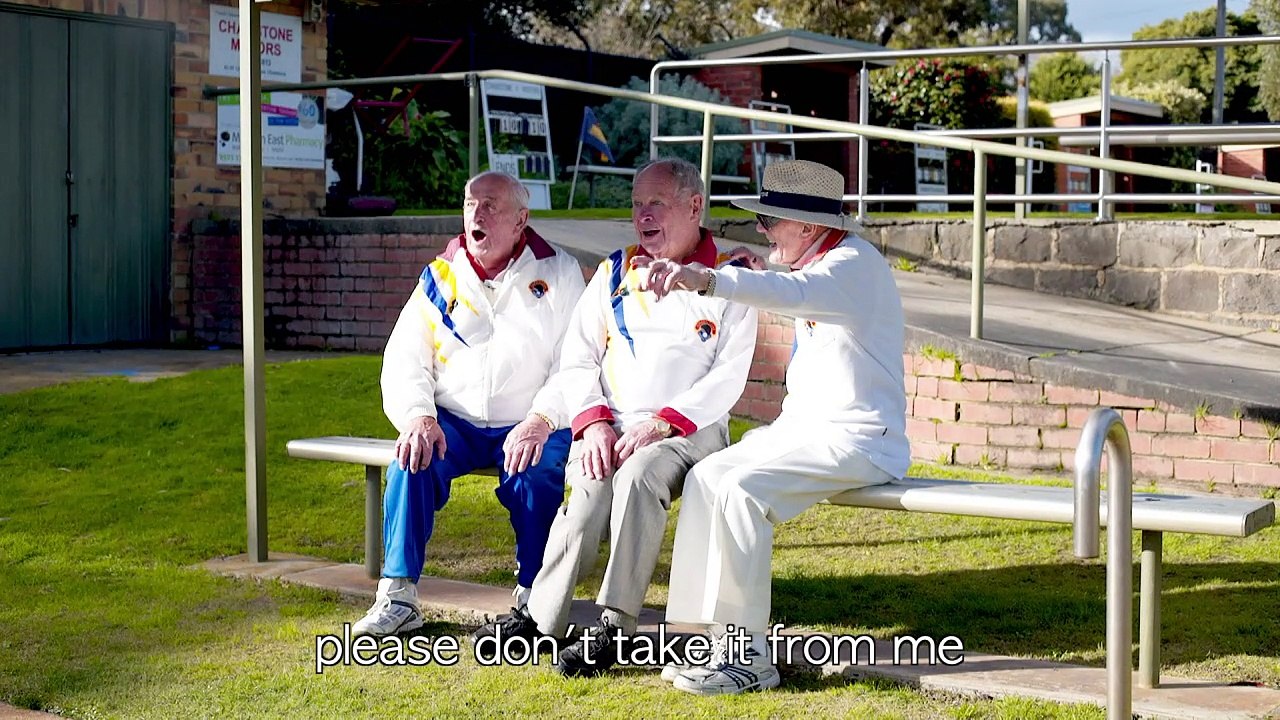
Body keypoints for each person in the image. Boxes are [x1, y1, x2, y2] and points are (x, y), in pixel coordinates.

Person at [473, 158, 758, 678]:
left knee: (637, 476)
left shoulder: (730, 282)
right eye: (635, 205)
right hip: (614, 425)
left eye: (656, 204)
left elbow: (728, 381)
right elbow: (577, 357)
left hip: (690, 430)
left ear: (695, 207)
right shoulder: (611, 273)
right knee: (586, 494)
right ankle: (540, 619)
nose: (642, 216)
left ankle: (614, 624)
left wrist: (662, 424)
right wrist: (595, 423)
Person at [636, 159, 909, 695]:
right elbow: (791, 287)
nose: (761, 230)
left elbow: (796, 295)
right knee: (706, 477)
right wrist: (759, 272)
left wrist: (708, 278)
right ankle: (699, 639)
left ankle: (747, 658)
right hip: (802, 430)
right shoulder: (820, 262)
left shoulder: (854, 266)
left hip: (859, 439)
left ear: (808, 228)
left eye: (769, 221)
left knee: (740, 492)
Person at [352, 171, 586, 637]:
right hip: (452, 423)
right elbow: (404, 358)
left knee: (537, 474)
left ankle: (533, 599)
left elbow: (575, 363)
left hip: (532, 421)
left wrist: (541, 420)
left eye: (491, 205)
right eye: (470, 203)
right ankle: (397, 596)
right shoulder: (440, 275)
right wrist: (418, 415)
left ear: (522, 219)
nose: (476, 214)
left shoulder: (559, 271)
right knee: (408, 461)